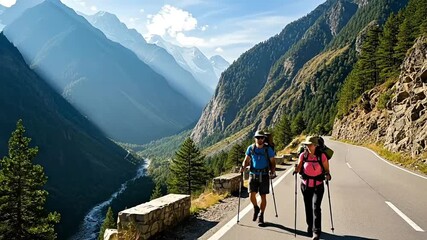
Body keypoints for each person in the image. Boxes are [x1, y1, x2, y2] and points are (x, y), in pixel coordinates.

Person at [294, 136, 331, 240]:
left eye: (310, 144)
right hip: (305, 185)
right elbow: (299, 167)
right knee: (308, 207)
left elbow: (327, 169)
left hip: (318, 186)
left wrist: (328, 175)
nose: (308, 146)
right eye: (306, 144)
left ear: (315, 145)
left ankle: (316, 231)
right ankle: (310, 226)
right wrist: (296, 170)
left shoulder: (322, 156)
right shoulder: (303, 155)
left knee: (316, 207)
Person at [241, 130, 276, 224]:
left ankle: (261, 215)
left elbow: (272, 161)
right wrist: (243, 166)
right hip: (253, 174)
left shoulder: (268, 149)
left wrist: (273, 171)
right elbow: (246, 160)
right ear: (255, 138)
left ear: (264, 138)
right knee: (251, 195)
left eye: (261, 138)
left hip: (264, 175)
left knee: (263, 196)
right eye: (257, 137)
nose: (259, 139)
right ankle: (256, 208)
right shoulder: (251, 148)